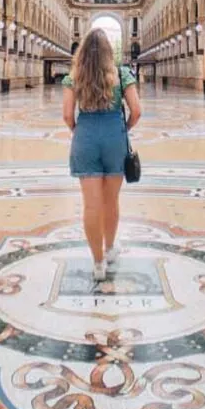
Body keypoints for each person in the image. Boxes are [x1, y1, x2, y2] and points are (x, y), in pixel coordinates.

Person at [62, 29, 141, 281]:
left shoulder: (73, 76)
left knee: (91, 205)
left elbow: (66, 115)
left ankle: (97, 263)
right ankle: (109, 250)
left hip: (85, 136)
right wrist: (123, 128)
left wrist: (80, 130)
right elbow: (137, 110)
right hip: (114, 137)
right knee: (111, 202)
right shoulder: (122, 74)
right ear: (109, 51)